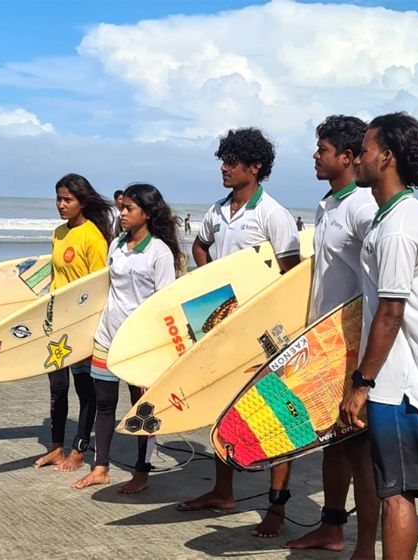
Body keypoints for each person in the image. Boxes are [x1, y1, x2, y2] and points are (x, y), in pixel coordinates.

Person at [177, 127, 301, 539]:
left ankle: (277, 508)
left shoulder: (273, 214)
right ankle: (223, 491)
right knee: (222, 408)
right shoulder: (217, 210)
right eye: (223, 161)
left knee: (275, 413)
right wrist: (212, 284)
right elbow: (200, 246)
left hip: (264, 331)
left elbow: (292, 273)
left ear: (255, 167)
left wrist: (264, 307)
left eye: (231, 162)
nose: (224, 169)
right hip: (224, 325)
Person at [339, 112, 418, 560]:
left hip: (398, 385)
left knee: (398, 494)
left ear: (387, 157)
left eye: (364, 150)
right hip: (394, 380)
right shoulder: (397, 217)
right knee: (386, 486)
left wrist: (361, 383)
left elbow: (391, 313)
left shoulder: (398, 228)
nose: (358, 158)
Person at [284, 115, 380, 556]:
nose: (315, 156)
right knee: (332, 442)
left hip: (352, 345)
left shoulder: (362, 207)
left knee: (359, 448)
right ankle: (332, 527)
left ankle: (365, 545)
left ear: (348, 156)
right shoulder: (328, 205)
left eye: (322, 150)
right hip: (324, 342)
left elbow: (379, 281)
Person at [72, 183, 182, 493]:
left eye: (128, 208)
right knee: (104, 404)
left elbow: (164, 303)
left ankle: (142, 473)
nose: (121, 213)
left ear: (146, 213)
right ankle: (101, 467)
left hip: (139, 344)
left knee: (142, 409)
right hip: (107, 337)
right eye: (121, 207)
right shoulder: (117, 245)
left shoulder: (159, 252)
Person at [33, 173, 114, 471]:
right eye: (58, 199)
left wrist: (92, 327)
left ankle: (79, 450)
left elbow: (99, 286)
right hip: (57, 323)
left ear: (83, 202)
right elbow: (55, 278)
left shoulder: (93, 236)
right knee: (57, 387)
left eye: (68, 199)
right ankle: (56, 447)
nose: (61, 205)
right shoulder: (57, 233)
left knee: (84, 390)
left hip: (82, 326)